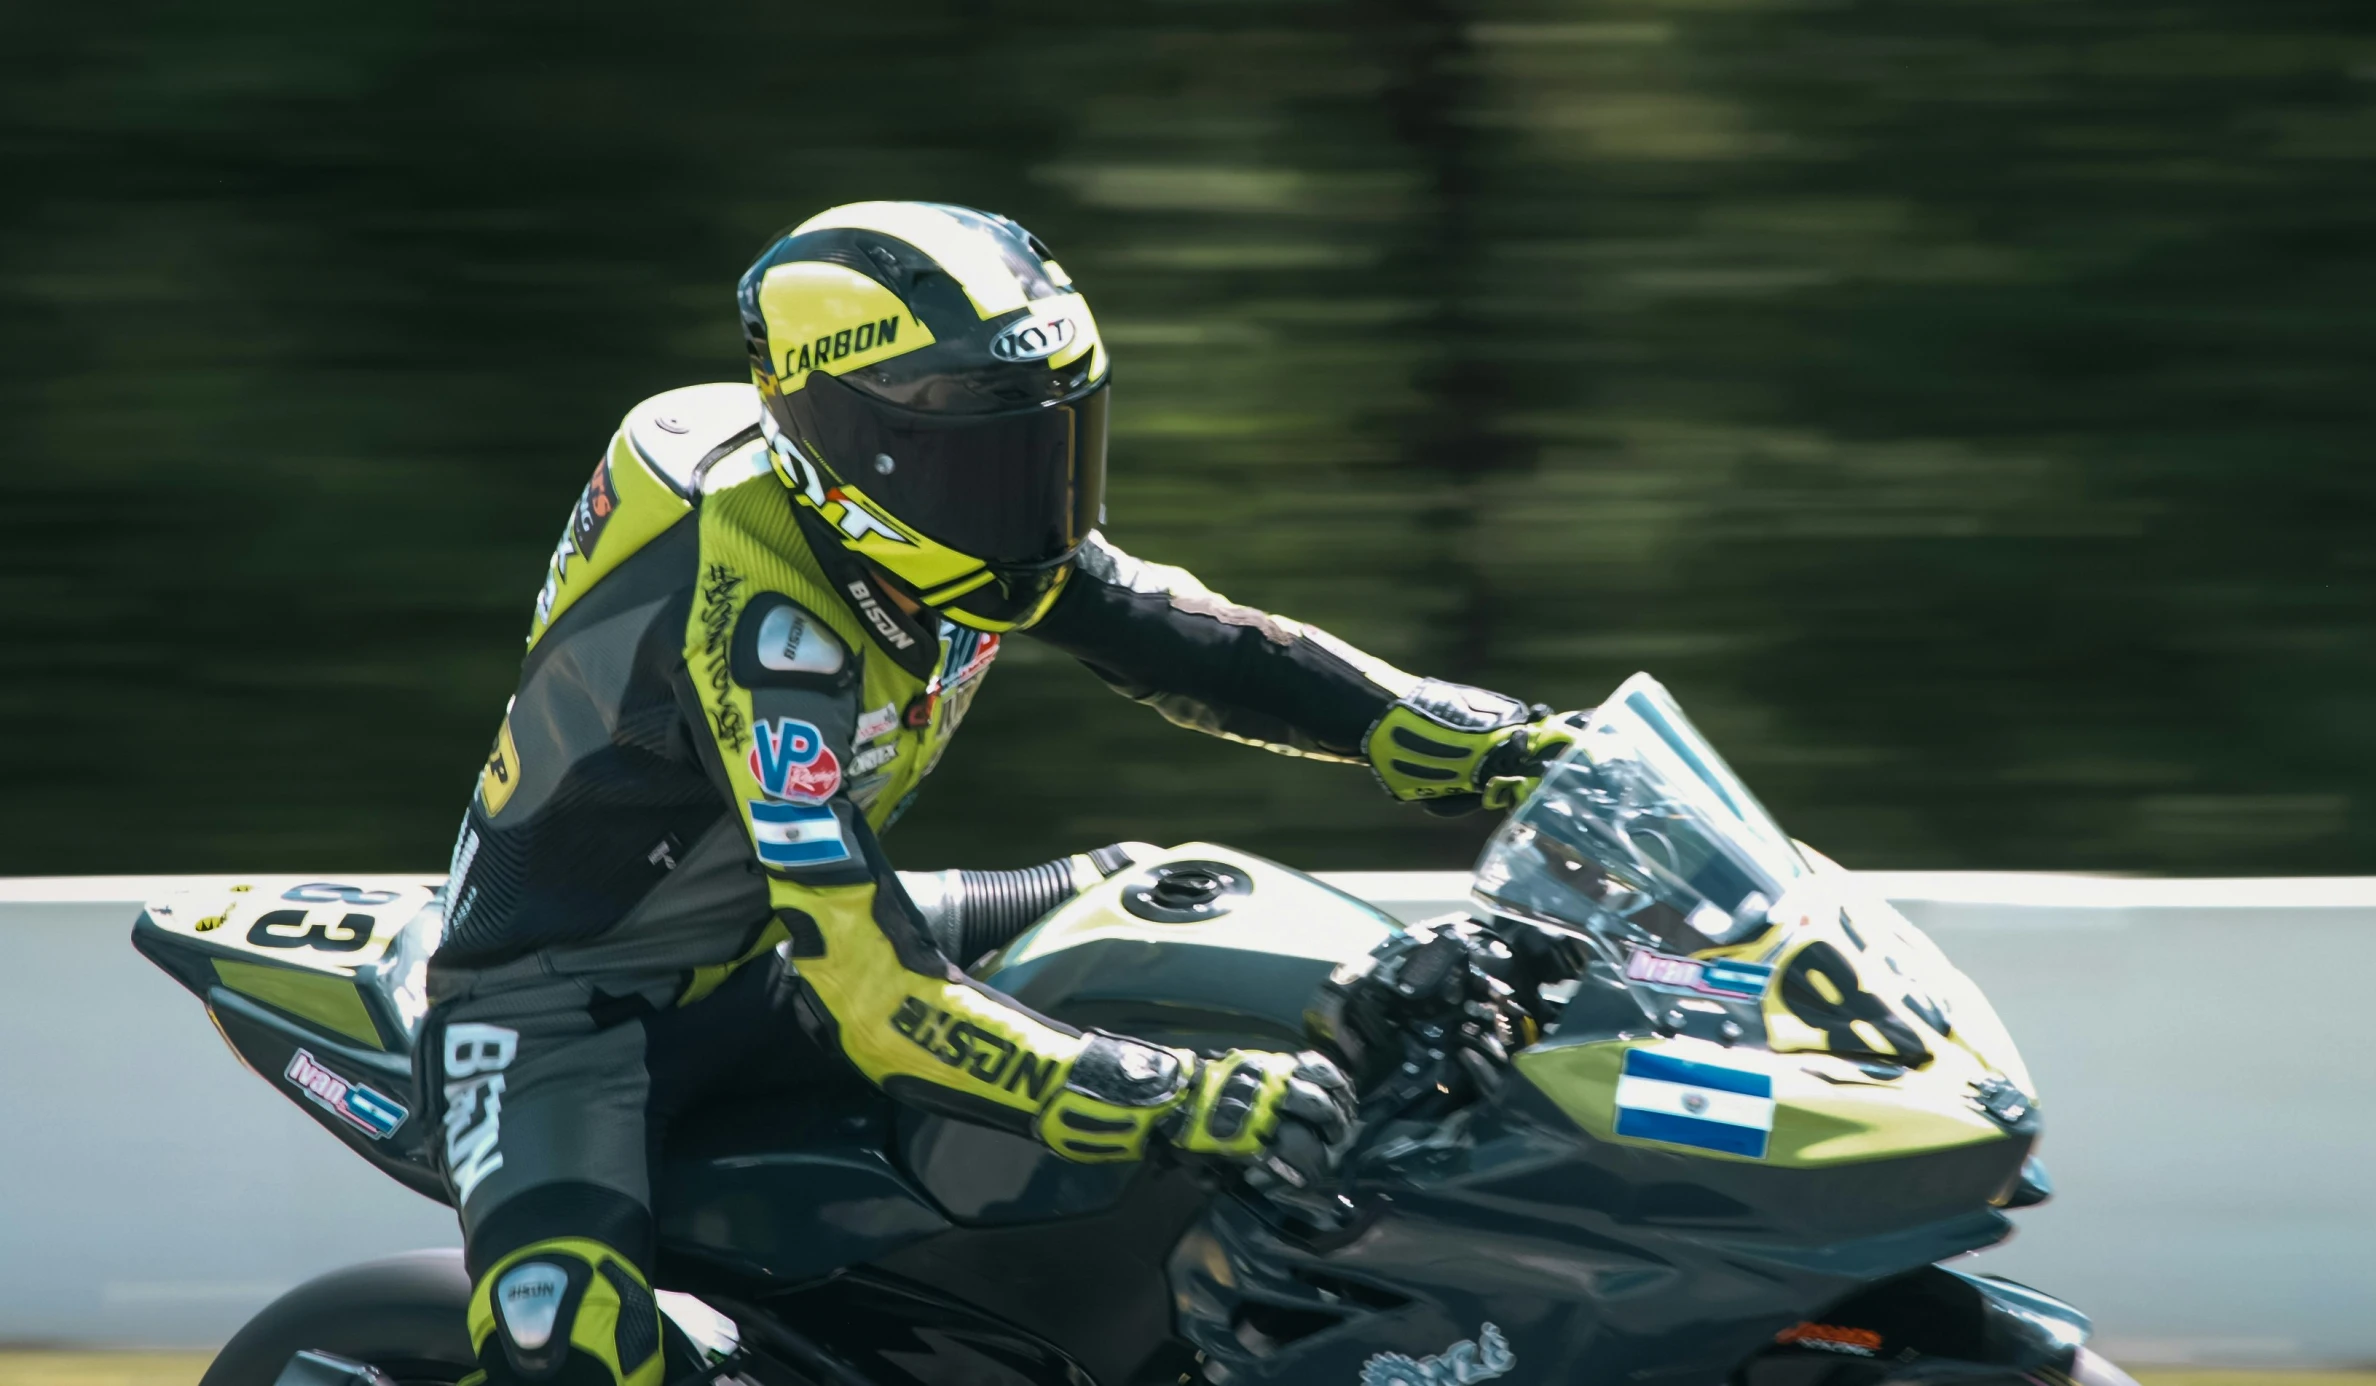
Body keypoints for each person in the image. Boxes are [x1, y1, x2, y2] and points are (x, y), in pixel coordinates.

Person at [426, 201, 1574, 1386]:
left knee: (1181, 900)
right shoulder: (768, 638)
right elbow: (872, 996)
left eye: (1055, 440)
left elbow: (1215, 649)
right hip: (567, 1007)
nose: (1036, 493)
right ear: (846, 444)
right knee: (569, 1352)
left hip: (769, 930)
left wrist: (1500, 740)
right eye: (983, 447)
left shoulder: (951, 535)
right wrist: (1162, 1092)